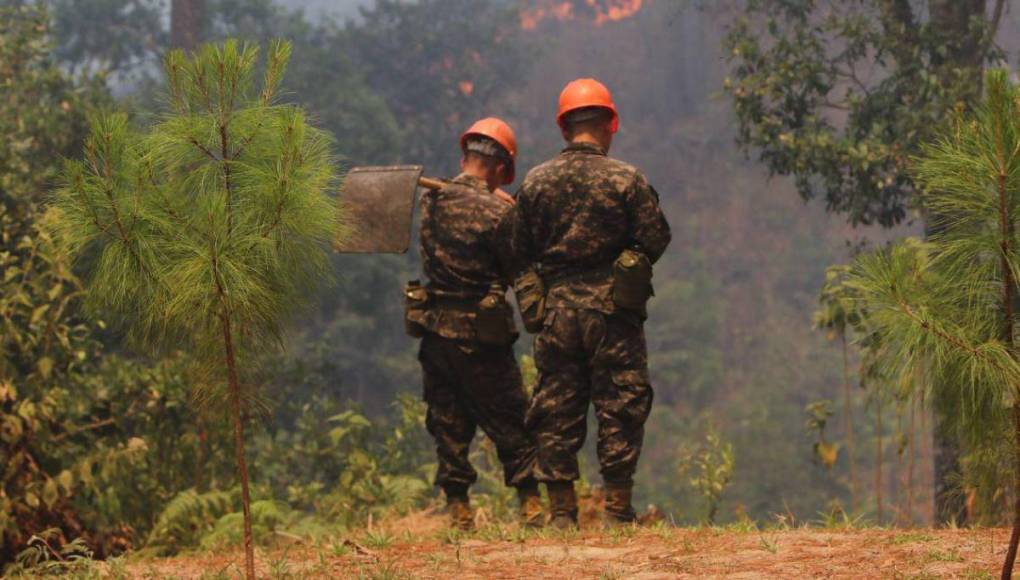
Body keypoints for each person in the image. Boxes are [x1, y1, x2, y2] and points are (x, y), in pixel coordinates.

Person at [509, 79, 672, 528]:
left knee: (556, 407)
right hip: (612, 311)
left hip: (557, 312)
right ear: (611, 124)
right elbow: (656, 238)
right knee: (620, 403)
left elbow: (516, 249)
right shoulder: (626, 179)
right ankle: (618, 513)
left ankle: (562, 514)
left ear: (564, 128)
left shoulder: (536, 182)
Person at [406, 117, 542, 531]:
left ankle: (459, 508)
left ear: (465, 157)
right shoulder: (500, 215)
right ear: (501, 169)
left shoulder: (433, 201)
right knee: (510, 415)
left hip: (435, 332)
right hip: (482, 337)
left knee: (447, 421)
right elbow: (517, 264)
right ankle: (531, 504)